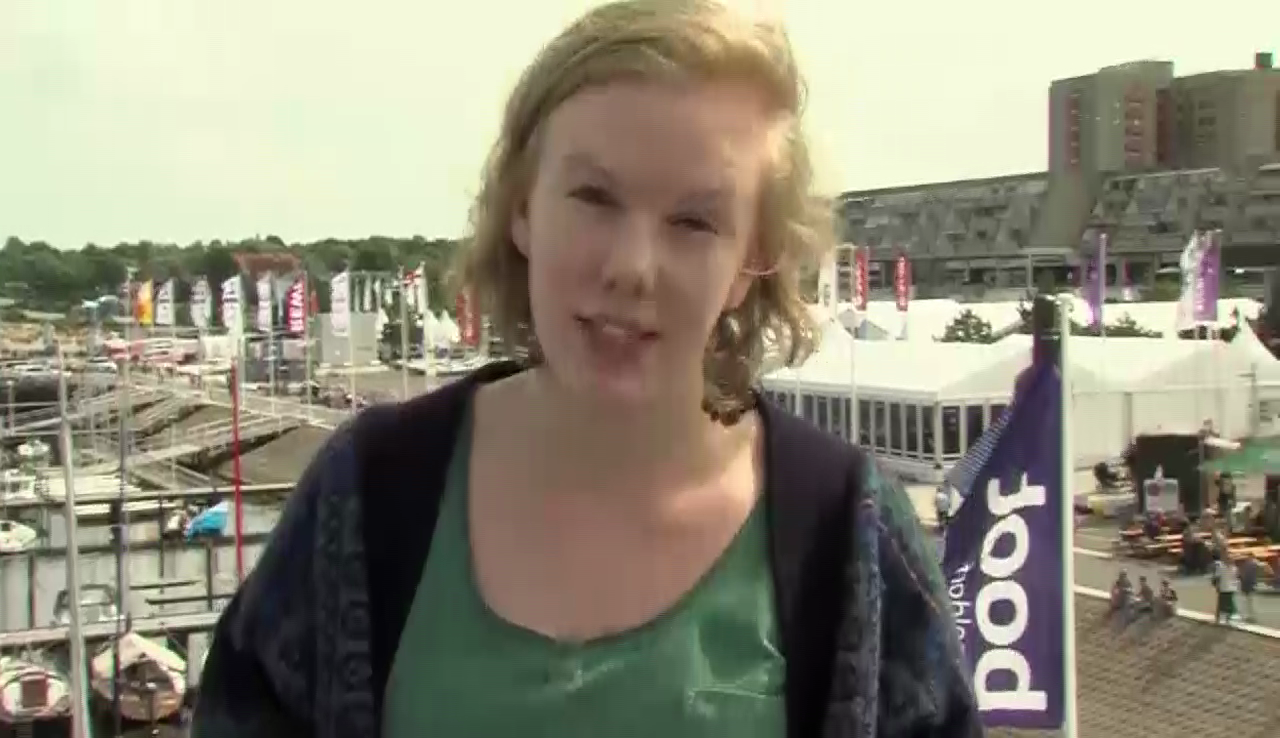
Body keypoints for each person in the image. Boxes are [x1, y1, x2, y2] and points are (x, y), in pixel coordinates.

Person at [190, 2, 979, 737]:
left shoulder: (850, 538)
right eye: (595, 197)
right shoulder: (366, 494)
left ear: (751, 264)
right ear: (521, 209)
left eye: (694, 221)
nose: (632, 266)